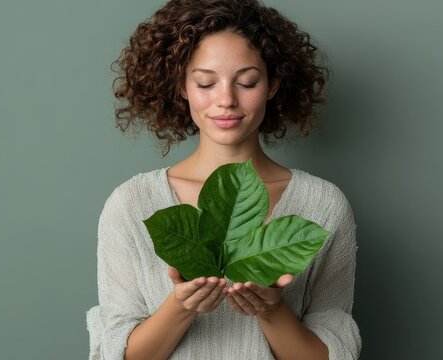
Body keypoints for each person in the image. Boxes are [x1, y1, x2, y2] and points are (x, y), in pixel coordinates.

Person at [86, 0, 361, 359]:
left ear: (273, 84)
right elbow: (117, 355)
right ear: (182, 86)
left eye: (247, 81)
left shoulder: (324, 206)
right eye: (205, 82)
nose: (226, 100)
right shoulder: (132, 204)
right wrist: (180, 308)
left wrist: (272, 309)